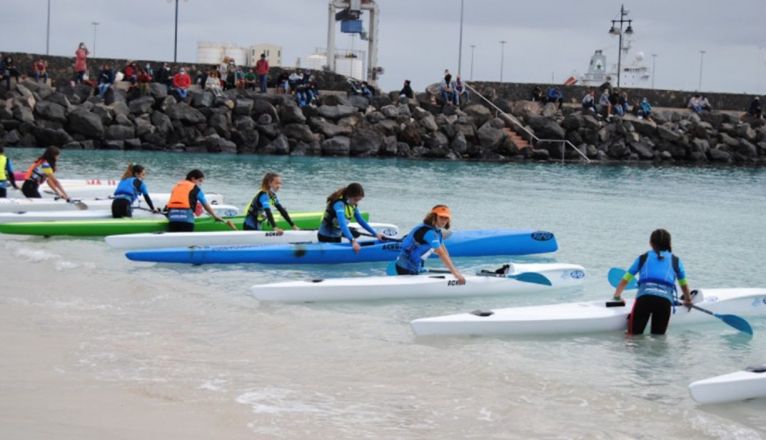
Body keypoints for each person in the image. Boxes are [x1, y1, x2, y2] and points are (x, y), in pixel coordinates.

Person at [611, 229, 693, 335]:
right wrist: (688, 300)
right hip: (664, 302)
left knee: (632, 337)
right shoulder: (676, 261)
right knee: (658, 339)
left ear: (651, 243)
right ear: (669, 243)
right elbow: (684, 285)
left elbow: (626, 278)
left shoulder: (643, 258)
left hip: (644, 299)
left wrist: (617, 296)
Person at [393, 205, 466, 284]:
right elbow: (441, 254)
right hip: (405, 267)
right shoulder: (429, 233)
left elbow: (445, 252)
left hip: (414, 266)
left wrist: (454, 270)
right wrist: (455, 274)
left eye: (446, 218)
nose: (444, 221)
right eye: (441, 217)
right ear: (434, 217)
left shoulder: (437, 231)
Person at [317, 183, 385, 254]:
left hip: (337, 236)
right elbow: (342, 224)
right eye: (355, 200)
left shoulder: (352, 205)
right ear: (349, 196)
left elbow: (361, 221)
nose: (356, 202)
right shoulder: (339, 204)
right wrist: (353, 241)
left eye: (358, 200)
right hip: (325, 236)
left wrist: (376, 234)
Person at [166, 169, 235, 232]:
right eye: (200, 181)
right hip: (186, 220)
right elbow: (205, 204)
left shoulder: (176, 186)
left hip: (173, 219)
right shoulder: (195, 188)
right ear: (193, 178)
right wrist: (214, 216)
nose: (200, 183)